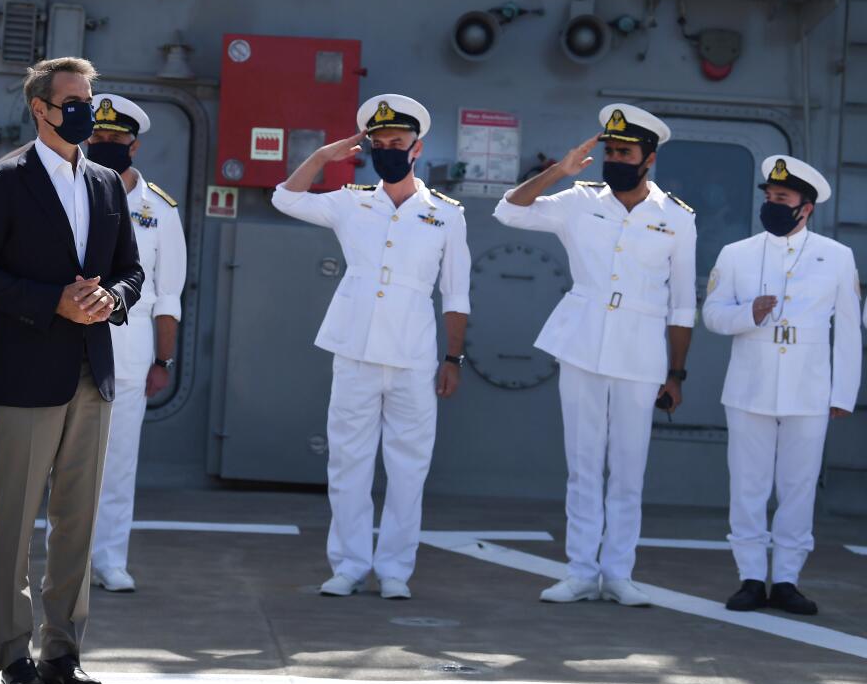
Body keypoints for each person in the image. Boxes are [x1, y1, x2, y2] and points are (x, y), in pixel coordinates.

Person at [0, 57, 143, 684]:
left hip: (94, 375)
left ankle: (63, 652)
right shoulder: (1, 180)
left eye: (88, 98)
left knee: (77, 520)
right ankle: (13, 657)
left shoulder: (105, 182)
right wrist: (50, 300)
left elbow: (131, 271)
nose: (86, 109)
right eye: (74, 100)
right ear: (41, 108)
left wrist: (111, 300)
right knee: (15, 522)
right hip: (27, 376)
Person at [493, 104, 696, 607]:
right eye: (610, 150)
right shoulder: (578, 201)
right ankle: (581, 571)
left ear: (648, 157)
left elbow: (683, 304)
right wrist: (558, 172)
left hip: (641, 353)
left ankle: (619, 573)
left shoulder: (676, 218)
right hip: (583, 344)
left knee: (629, 469)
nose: (614, 159)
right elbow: (508, 210)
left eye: (624, 152)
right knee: (583, 465)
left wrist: (676, 374)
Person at [271, 94, 472, 600]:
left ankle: (396, 571)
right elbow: (285, 199)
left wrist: (453, 358)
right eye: (378, 144)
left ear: (416, 148)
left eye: (396, 143)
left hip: (413, 356)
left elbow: (457, 293)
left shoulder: (446, 215)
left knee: (409, 466)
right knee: (348, 461)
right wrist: (322, 158)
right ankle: (349, 564)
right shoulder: (351, 200)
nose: (387, 150)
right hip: (355, 349)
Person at [703, 155, 861, 615]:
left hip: (808, 388)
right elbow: (711, 314)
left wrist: (842, 393)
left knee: (798, 485)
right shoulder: (738, 253)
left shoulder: (836, 257)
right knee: (748, 484)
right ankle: (750, 576)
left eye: (783, 198)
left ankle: (788, 579)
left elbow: (849, 330)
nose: (773, 204)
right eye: (769, 197)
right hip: (750, 383)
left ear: (805, 207)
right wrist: (745, 314)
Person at [86, 94, 186, 593]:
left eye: (115, 140)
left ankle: (110, 560)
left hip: (130, 346)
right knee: (67, 462)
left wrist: (163, 359)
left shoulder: (160, 210)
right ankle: (68, 562)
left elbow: (169, 294)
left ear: (134, 145)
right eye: (97, 138)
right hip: (73, 342)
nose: (105, 145)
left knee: (119, 460)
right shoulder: (70, 192)